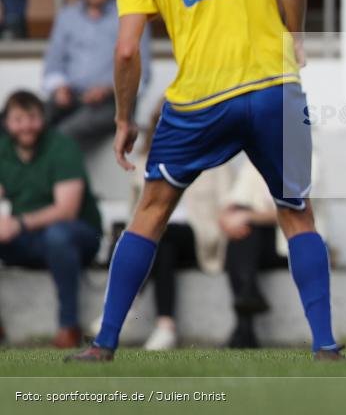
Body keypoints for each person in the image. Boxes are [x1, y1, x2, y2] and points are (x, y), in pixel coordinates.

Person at [65, 0, 341, 361]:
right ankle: (325, 344)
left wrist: (124, 116)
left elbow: (127, 50)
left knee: (151, 210)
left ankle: (104, 344)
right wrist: (296, 34)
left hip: (199, 101)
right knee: (296, 211)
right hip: (271, 86)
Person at [127, 101, 232, 351]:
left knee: (162, 233)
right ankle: (165, 326)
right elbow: (135, 213)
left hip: (199, 238)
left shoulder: (216, 159)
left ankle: (125, 304)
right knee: (156, 238)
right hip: (161, 240)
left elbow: (228, 207)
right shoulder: (145, 163)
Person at [0, 90, 102, 348]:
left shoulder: (62, 145)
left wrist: (18, 223)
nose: (26, 126)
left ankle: (68, 327)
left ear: (43, 118)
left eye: (32, 117)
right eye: (18, 119)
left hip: (78, 235)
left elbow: (66, 209)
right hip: (28, 238)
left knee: (58, 234)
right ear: (7, 123)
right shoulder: (3, 150)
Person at [43, 0, 151, 151]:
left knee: (64, 133)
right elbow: (52, 66)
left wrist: (109, 89)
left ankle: (67, 183)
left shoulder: (129, 15)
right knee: (25, 120)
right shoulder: (67, 16)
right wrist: (60, 88)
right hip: (72, 97)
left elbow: (142, 74)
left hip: (114, 104)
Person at [220, 160, 288, 349]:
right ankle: (249, 295)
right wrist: (228, 219)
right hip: (255, 245)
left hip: (288, 246)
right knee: (242, 235)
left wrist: (248, 217)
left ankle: (244, 331)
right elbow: (234, 203)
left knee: (245, 232)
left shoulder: (307, 160)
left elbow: (295, 211)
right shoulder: (254, 162)